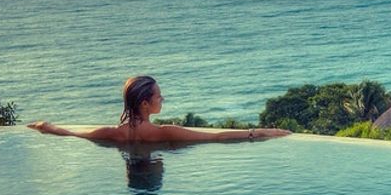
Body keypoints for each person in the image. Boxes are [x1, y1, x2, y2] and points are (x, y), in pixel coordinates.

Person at [27, 75, 292, 143]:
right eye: (159, 96)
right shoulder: (165, 133)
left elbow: (72, 134)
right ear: (145, 103)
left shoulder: (111, 133)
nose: (162, 100)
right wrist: (260, 132)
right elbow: (216, 137)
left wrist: (44, 126)